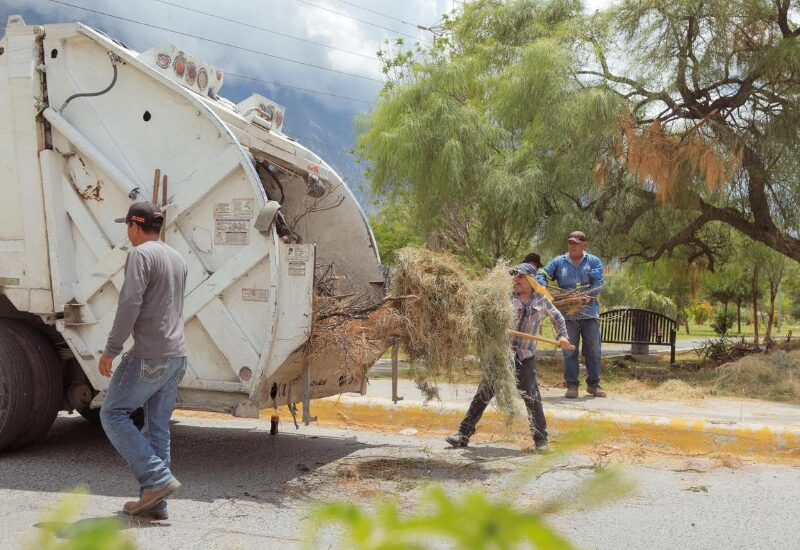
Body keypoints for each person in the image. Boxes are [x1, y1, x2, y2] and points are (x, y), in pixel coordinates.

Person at [99, 202, 188, 520]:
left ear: (136, 227)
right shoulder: (176, 257)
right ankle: (156, 504)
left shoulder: (140, 255)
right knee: (157, 428)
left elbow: (130, 303)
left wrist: (111, 348)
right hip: (177, 355)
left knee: (113, 414)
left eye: (128, 226)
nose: (128, 232)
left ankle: (157, 480)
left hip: (150, 355)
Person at [446, 263, 571, 452]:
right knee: (483, 395)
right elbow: (484, 316)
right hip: (501, 356)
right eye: (515, 276)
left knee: (532, 398)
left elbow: (558, 318)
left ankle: (541, 442)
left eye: (521, 276)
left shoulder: (542, 300)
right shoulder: (504, 298)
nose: (516, 279)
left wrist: (562, 336)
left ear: (531, 280)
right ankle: (463, 435)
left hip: (525, 356)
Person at [537, 230, 606, 398]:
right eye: (570, 243)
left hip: (589, 313)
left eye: (576, 243)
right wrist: (542, 285)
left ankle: (593, 385)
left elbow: (599, 284)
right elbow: (542, 274)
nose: (572, 246)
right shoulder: (559, 262)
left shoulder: (594, 261)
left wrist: (584, 297)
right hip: (567, 316)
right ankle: (572, 386)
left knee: (593, 350)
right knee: (568, 350)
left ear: (584, 245)